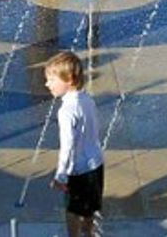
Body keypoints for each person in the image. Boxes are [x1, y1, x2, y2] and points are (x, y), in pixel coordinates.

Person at [45, 51, 104, 237]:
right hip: (96, 162)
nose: (47, 84)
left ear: (69, 79)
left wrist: (61, 176)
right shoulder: (87, 99)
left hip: (78, 169)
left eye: (52, 80)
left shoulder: (67, 110)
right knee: (90, 206)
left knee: (72, 209)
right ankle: (90, 233)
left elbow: (68, 147)